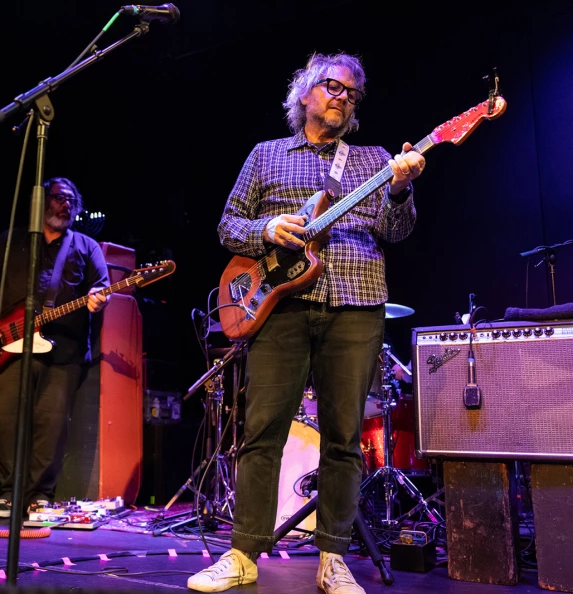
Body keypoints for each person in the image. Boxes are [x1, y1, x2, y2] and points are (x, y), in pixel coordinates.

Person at [188, 52, 425, 593]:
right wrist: (267, 227)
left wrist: (400, 188)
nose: (344, 97)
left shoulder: (372, 159)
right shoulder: (266, 155)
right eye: (335, 87)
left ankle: (333, 559)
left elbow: (398, 230)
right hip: (280, 307)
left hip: (355, 301)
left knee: (343, 439)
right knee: (262, 431)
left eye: (352, 93)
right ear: (306, 93)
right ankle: (243, 553)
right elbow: (228, 225)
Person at [0, 177, 109, 519]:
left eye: (71, 200)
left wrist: (97, 300)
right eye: (58, 198)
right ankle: (8, 492)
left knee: (52, 425)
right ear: (41, 201)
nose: (64, 205)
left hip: (64, 353)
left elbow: (101, 288)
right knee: (7, 419)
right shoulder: (11, 240)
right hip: (9, 344)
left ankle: (39, 496)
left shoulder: (86, 245)